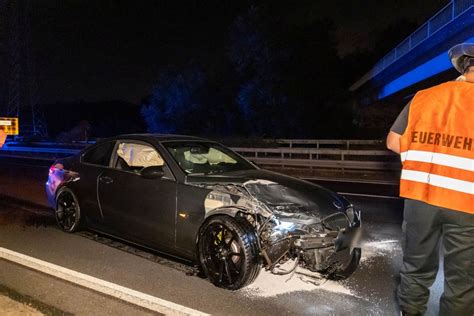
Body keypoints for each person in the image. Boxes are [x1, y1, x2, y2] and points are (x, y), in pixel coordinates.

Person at [386, 42, 474, 315]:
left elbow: (393, 141)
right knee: (462, 281)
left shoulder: (424, 96)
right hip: (466, 202)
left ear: (463, 67)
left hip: (420, 197)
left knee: (415, 269)